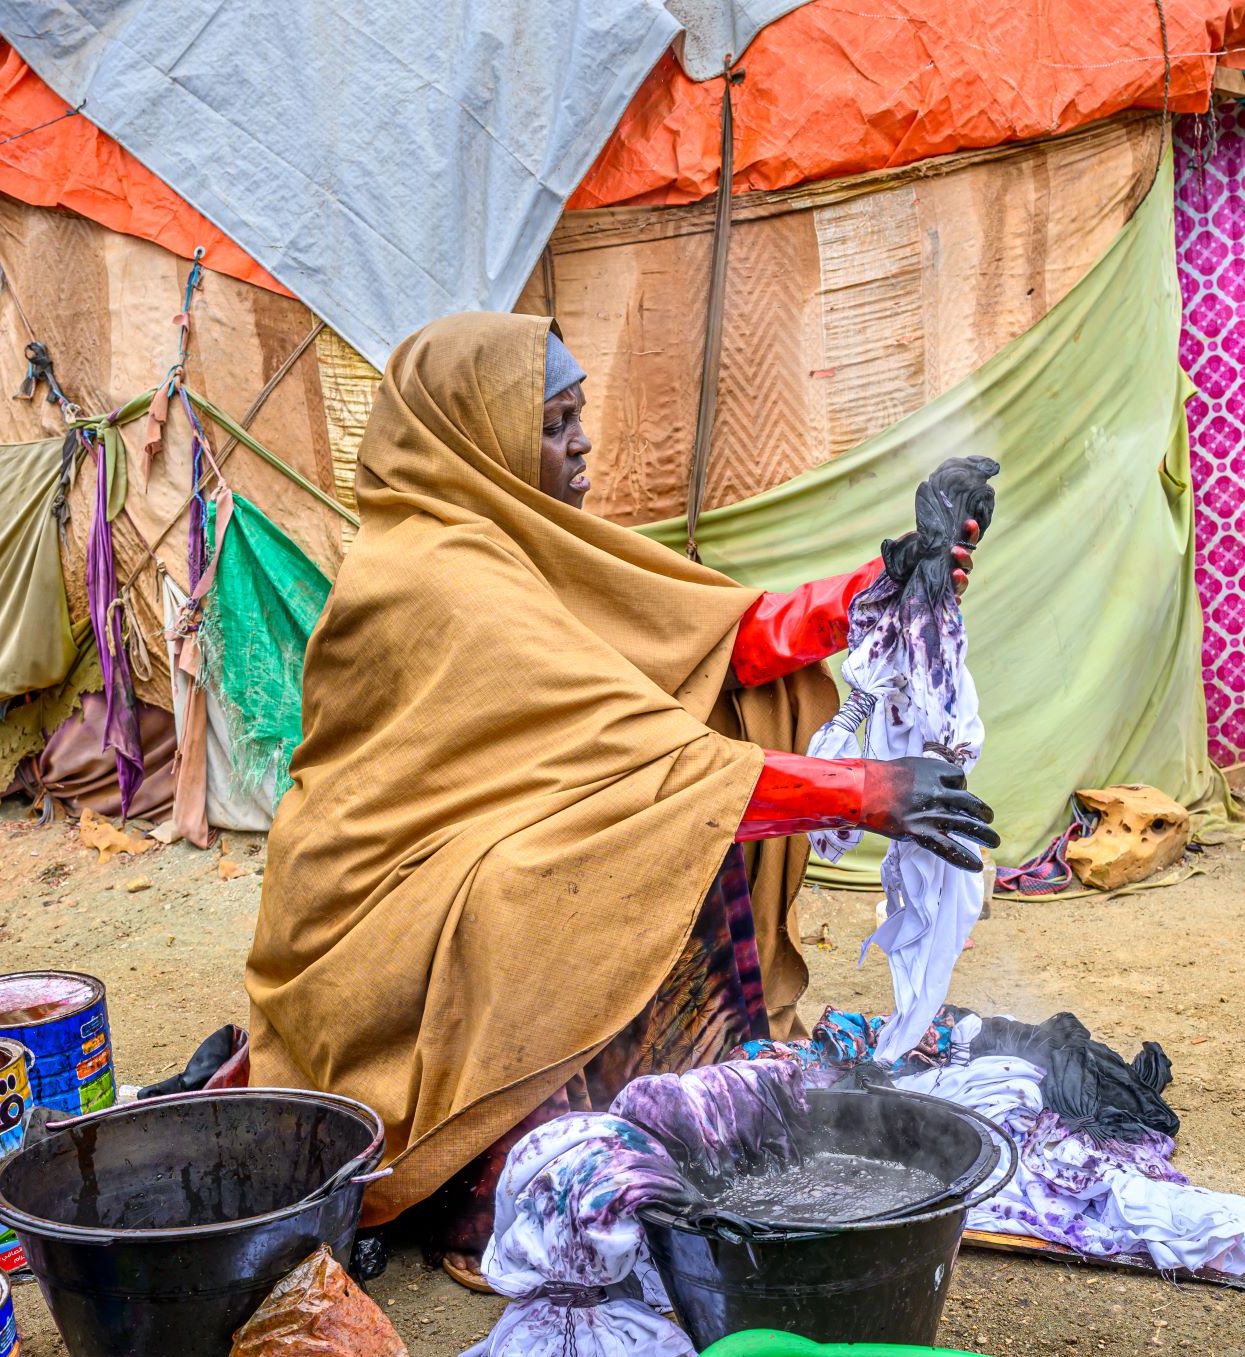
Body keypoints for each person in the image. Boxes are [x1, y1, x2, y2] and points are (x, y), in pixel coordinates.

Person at [244, 313, 998, 1278]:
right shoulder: (432, 576)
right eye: (557, 424)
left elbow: (716, 647)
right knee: (581, 860)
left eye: (578, 415)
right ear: (482, 439)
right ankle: (502, 1174)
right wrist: (858, 790)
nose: (582, 442)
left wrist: (887, 588)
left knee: (707, 751)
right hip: (383, 928)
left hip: (465, 856)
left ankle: (677, 1091)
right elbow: (636, 762)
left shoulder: (527, 541)